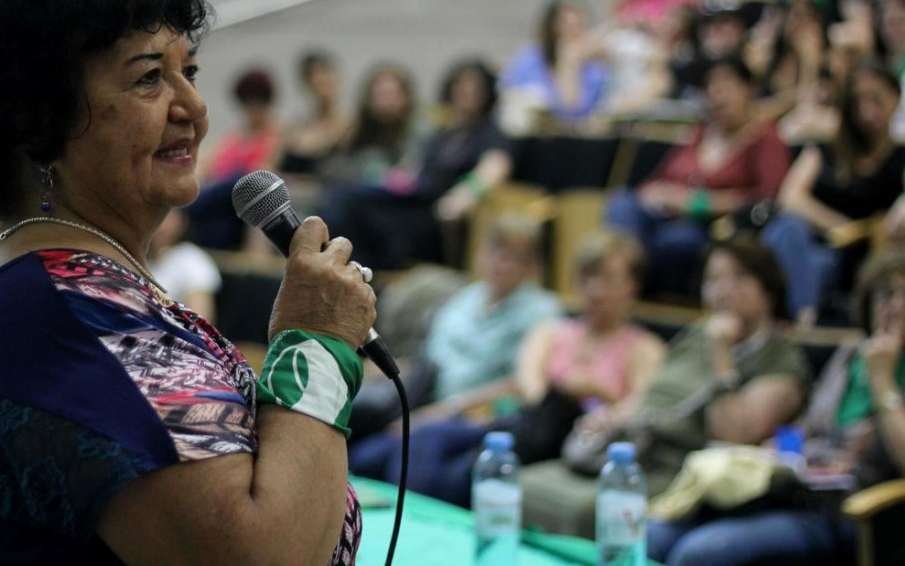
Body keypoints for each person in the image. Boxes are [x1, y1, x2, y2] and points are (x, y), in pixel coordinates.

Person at [0, 0, 374, 564]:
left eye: (188, 71)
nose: (194, 106)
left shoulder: (58, 282)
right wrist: (318, 343)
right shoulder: (70, 311)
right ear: (39, 120)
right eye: (148, 79)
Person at [518, 235, 809, 538]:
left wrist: (722, 352)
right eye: (713, 280)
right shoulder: (697, 336)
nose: (722, 291)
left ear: (768, 287)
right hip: (629, 448)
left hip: (678, 467)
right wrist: (615, 414)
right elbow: (652, 393)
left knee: (589, 511)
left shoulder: (780, 358)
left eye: (739, 278)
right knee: (524, 487)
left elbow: (734, 433)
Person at [349, 232, 665, 507]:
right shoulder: (552, 332)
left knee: (440, 458)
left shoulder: (643, 348)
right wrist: (574, 390)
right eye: (588, 278)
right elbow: (532, 390)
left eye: (608, 279)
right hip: (523, 426)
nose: (596, 290)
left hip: (577, 440)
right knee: (422, 441)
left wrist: (593, 392)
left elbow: (640, 406)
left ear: (631, 286)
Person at [647, 249, 905, 566]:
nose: (895, 306)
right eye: (887, 294)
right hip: (795, 489)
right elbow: (811, 425)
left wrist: (884, 385)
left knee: (700, 553)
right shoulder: (852, 355)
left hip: (847, 511)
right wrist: (781, 450)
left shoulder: (872, 368)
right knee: (652, 534)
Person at [346, 212, 563, 440]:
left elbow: (523, 383)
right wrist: (367, 371)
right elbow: (428, 361)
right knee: (356, 432)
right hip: (426, 402)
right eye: (495, 252)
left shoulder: (542, 311)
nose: (502, 264)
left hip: (480, 415)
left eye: (514, 257)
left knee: (409, 447)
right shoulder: (465, 298)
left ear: (533, 266)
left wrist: (445, 411)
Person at [606, 57, 791, 297]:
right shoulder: (701, 133)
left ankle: (625, 289)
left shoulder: (765, 138)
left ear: (749, 89)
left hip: (711, 227)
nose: (717, 96)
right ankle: (616, 282)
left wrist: (696, 203)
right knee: (622, 203)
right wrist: (654, 193)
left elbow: (766, 199)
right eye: (711, 89)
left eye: (725, 87)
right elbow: (658, 178)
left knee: (677, 241)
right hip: (662, 214)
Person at [319, 59, 513, 270]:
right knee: (342, 195)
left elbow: (495, 167)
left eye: (473, 88)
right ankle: (335, 267)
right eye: (460, 86)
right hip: (416, 200)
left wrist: (462, 197)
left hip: (436, 217)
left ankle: (339, 268)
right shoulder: (446, 134)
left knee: (350, 205)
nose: (465, 93)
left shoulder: (491, 133)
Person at [763, 61, 905, 326]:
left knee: (815, 263)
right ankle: (804, 315)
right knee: (787, 228)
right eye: (858, 101)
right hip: (810, 236)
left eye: (876, 99)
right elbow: (791, 196)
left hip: (855, 250)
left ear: (895, 99)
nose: (866, 111)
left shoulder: (899, 157)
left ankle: (798, 319)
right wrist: (838, 225)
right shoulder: (829, 147)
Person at [183, 68, 281, 250]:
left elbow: (265, 170)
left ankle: (185, 207)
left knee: (240, 179)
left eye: (259, 103)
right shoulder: (234, 138)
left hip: (242, 200)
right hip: (220, 205)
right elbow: (206, 165)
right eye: (248, 103)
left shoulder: (276, 136)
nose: (253, 109)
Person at [497, 0, 611, 132]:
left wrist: (570, 61)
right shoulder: (530, 58)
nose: (571, 33)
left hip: (570, 137)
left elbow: (571, 109)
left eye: (578, 25)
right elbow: (507, 90)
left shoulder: (594, 70)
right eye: (565, 25)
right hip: (526, 135)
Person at [320, 62, 423, 186]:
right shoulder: (356, 133)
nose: (385, 102)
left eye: (391, 94)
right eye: (379, 95)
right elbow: (331, 167)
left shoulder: (419, 134)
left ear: (405, 97)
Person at [279, 51, 351, 175]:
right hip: (292, 191)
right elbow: (270, 167)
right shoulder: (293, 130)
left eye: (325, 72)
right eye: (312, 75)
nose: (320, 79)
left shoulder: (350, 126)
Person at [149, 208, 221, 324]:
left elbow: (199, 323)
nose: (159, 224)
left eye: (166, 217)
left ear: (182, 221)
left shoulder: (192, 258)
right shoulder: (138, 259)